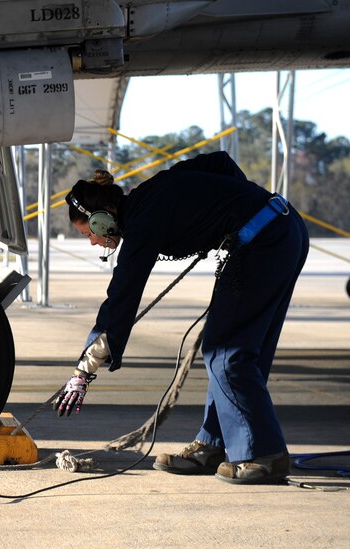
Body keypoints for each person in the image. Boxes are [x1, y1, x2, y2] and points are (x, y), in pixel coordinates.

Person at [54, 151, 309, 485]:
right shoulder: (153, 191)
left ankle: (264, 455)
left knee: (227, 353)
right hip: (283, 231)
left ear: (103, 219)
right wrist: (236, 209)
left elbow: (121, 299)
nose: (93, 241)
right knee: (240, 348)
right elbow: (220, 163)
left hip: (264, 244)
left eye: (89, 233)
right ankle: (215, 444)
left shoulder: (143, 219)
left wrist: (83, 372)